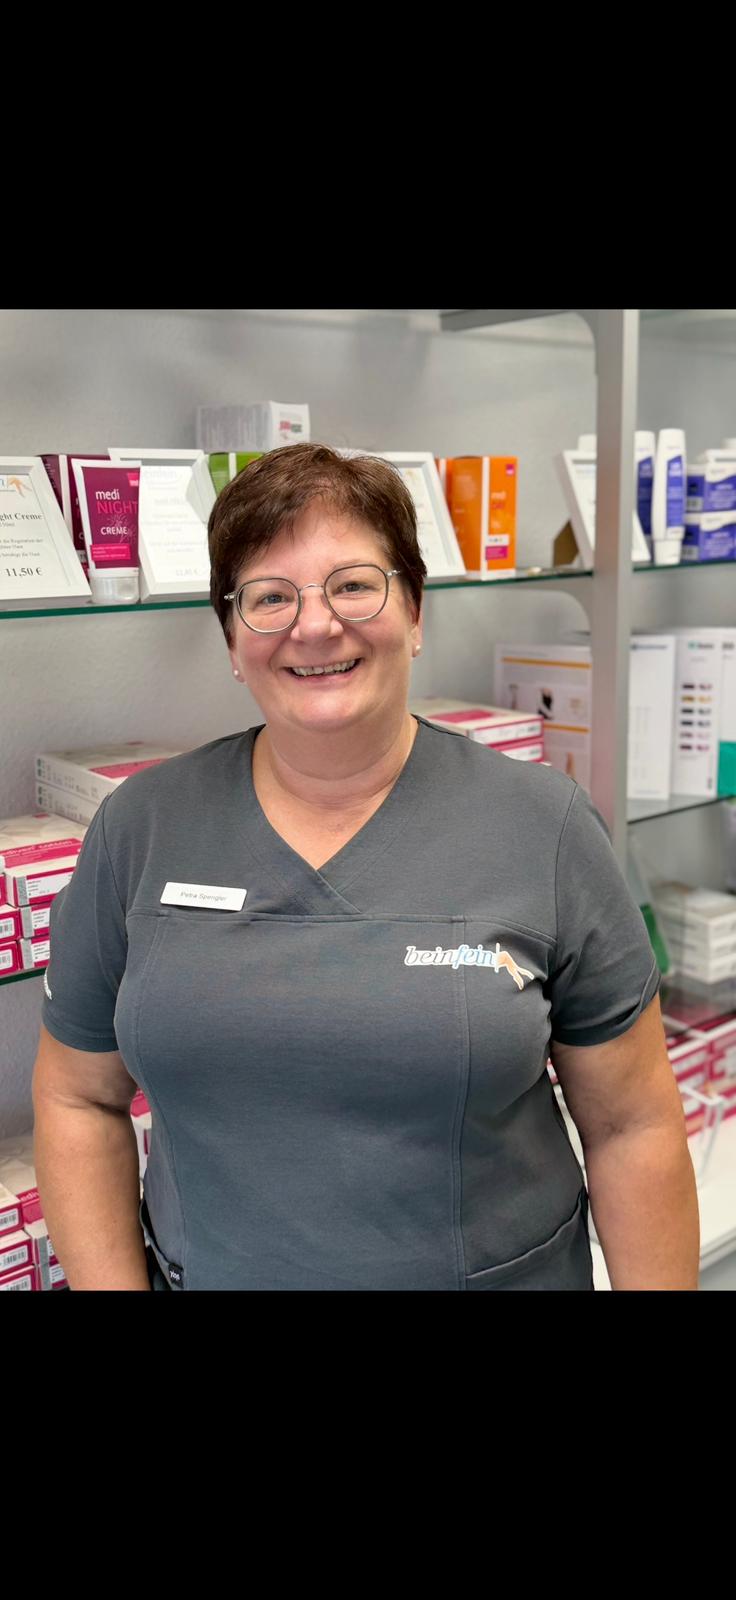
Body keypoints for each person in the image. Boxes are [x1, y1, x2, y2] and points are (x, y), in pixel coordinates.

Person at [32, 443, 700, 1291]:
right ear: (232, 641)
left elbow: (632, 1125)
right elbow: (78, 1097)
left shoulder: (546, 828)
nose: (314, 625)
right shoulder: (142, 827)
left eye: (353, 585)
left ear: (415, 613)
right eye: (270, 597)